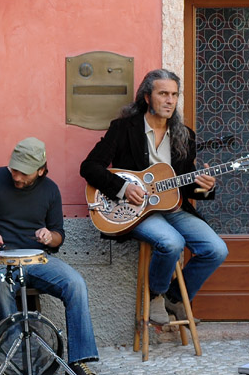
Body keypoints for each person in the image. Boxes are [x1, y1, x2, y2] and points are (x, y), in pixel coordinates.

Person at [80, 68, 229, 325]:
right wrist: (124, 188)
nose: (170, 100)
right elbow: (89, 167)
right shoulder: (124, 129)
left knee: (216, 250)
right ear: (147, 97)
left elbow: (186, 184)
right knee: (171, 243)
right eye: (163, 94)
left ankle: (176, 298)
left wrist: (205, 186)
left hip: (174, 209)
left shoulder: (185, 135)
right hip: (136, 211)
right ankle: (155, 296)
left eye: (174, 94)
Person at [0, 137, 101, 375]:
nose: (17, 176)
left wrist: (50, 237)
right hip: (1, 258)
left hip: (38, 259)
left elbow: (59, 234)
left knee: (75, 283)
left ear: (41, 170)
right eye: (14, 169)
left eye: (24, 172)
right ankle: (19, 358)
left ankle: (78, 361)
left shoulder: (50, 189)